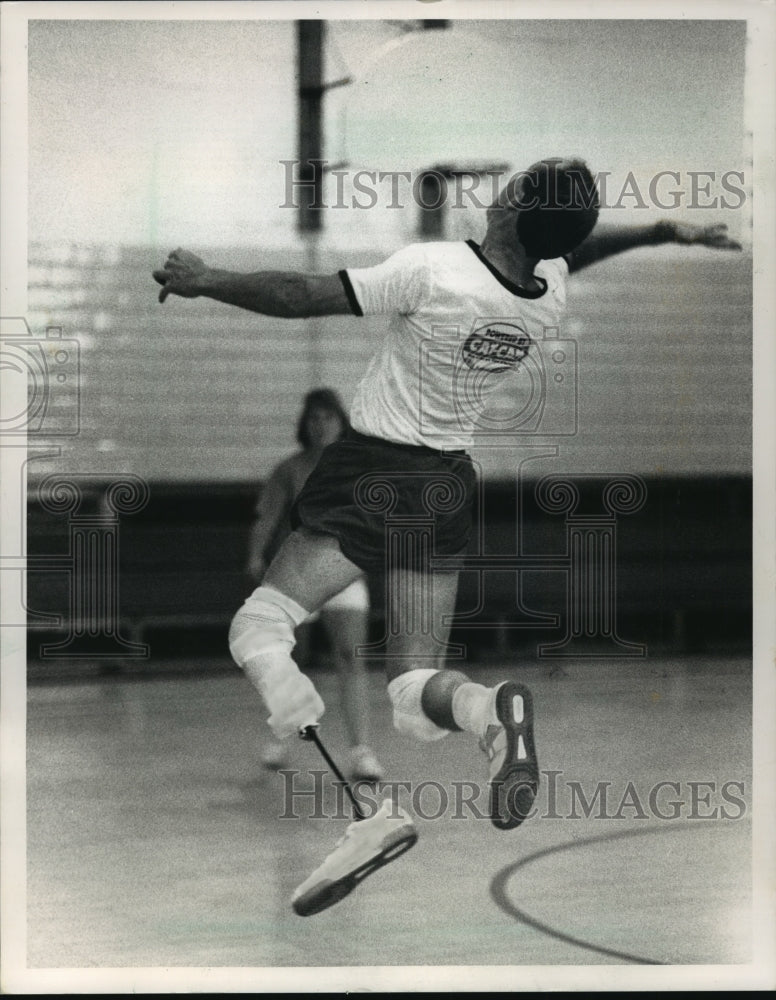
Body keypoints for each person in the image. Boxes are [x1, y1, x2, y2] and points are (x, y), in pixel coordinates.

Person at [153, 157, 740, 914]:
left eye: (519, 180)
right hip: (446, 486)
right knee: (410, 694)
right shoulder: (544, 292)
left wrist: (207, 278)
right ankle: (489, 711)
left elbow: (302, 295)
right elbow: (574, 251)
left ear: (517, 204)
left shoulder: (434, 269)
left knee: (259, 627)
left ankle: (363, 811)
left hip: (369, 473)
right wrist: (662, 228)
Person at [246, 387, 384, 783]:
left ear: (342, 423)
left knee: (351, 657)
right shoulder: (289, 469)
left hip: (343, 573)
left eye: (327, 417)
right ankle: (283, 735)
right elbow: (266, 518)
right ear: (304, 425)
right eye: (313, 418)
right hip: (297, 576)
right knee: (292, 659)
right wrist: (255, 555)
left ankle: (361, 750)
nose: (320, 424)